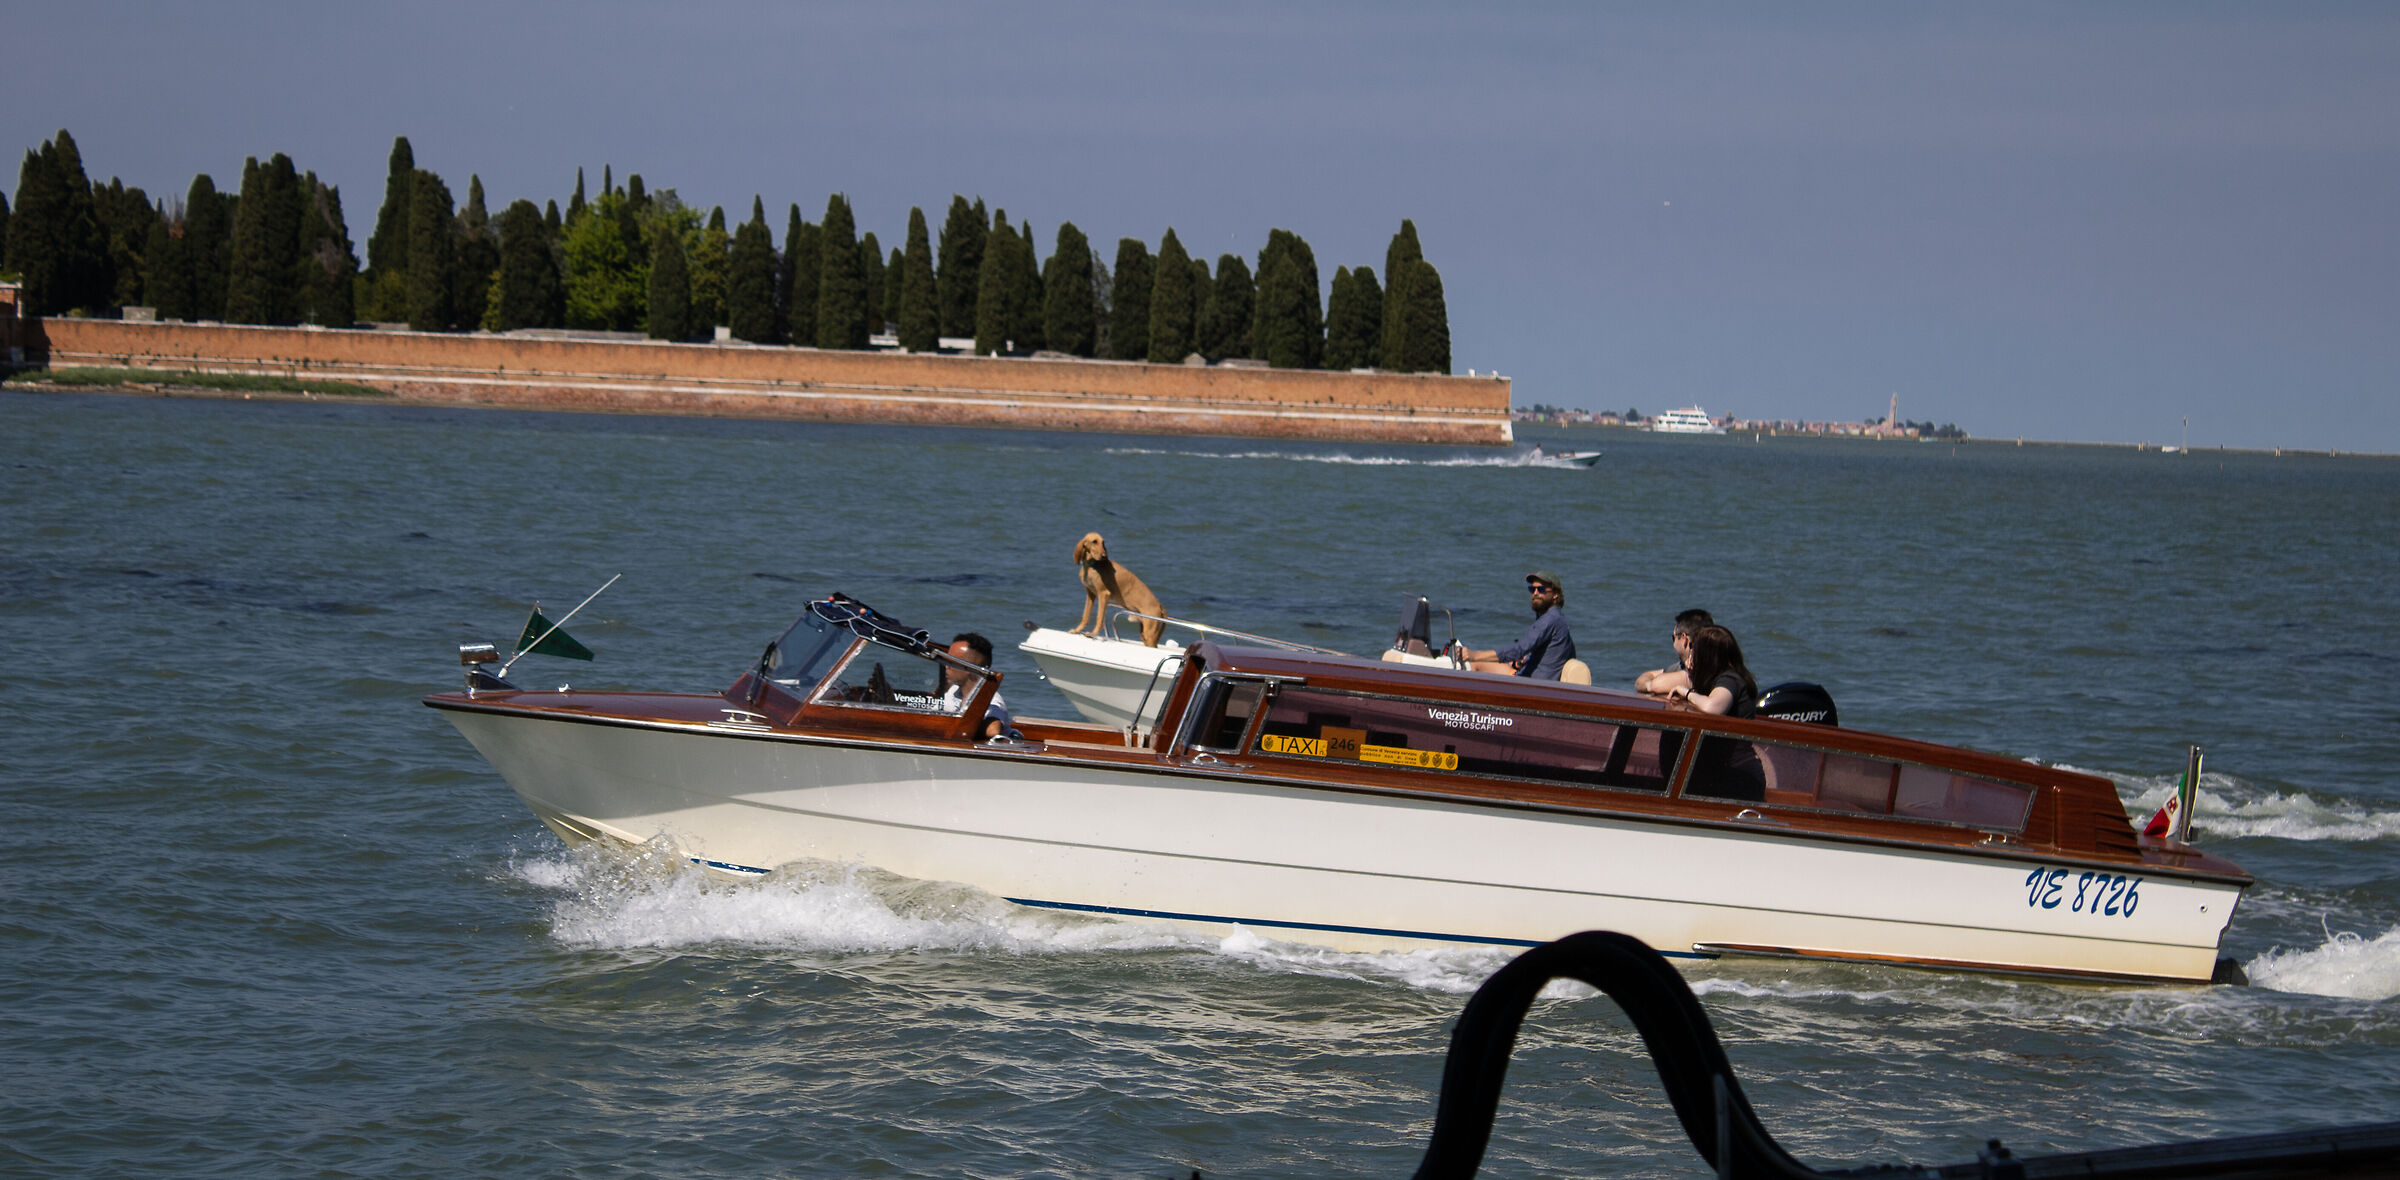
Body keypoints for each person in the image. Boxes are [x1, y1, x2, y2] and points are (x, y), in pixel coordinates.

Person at [1460, 571, 1576, 680]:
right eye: (1532, 589)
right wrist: (1524, 660)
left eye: (1541, 589)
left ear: (1555, 594)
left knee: (1475, 663)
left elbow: (1518, 650)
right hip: (1530, 676)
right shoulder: (1558, 619)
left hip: (1532, 683)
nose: (1535, 593)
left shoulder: (1550, 619)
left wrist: (1473, 655)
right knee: (1483, 660)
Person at [939, 632, 1018, 739]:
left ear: (970, 668)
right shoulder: (952, 690)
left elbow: (993, 730)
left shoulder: (991, 700)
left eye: (951, 661)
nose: (946, 666)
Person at [1670, 624, 1757, 717]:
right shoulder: (1719, 676)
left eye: (1693, 647)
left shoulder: (1730, 679)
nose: (1691, 651)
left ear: (1706, 655)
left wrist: (1687, 694)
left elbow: (1712, 707)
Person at [1634, 608, 1715, 696]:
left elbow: (1658, 684)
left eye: (1674, 637)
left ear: (1684, 639)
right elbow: (1645, 677)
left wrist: (1651, 685)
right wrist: (1649, 684)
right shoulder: (1681, 665)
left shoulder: (1703, 668)